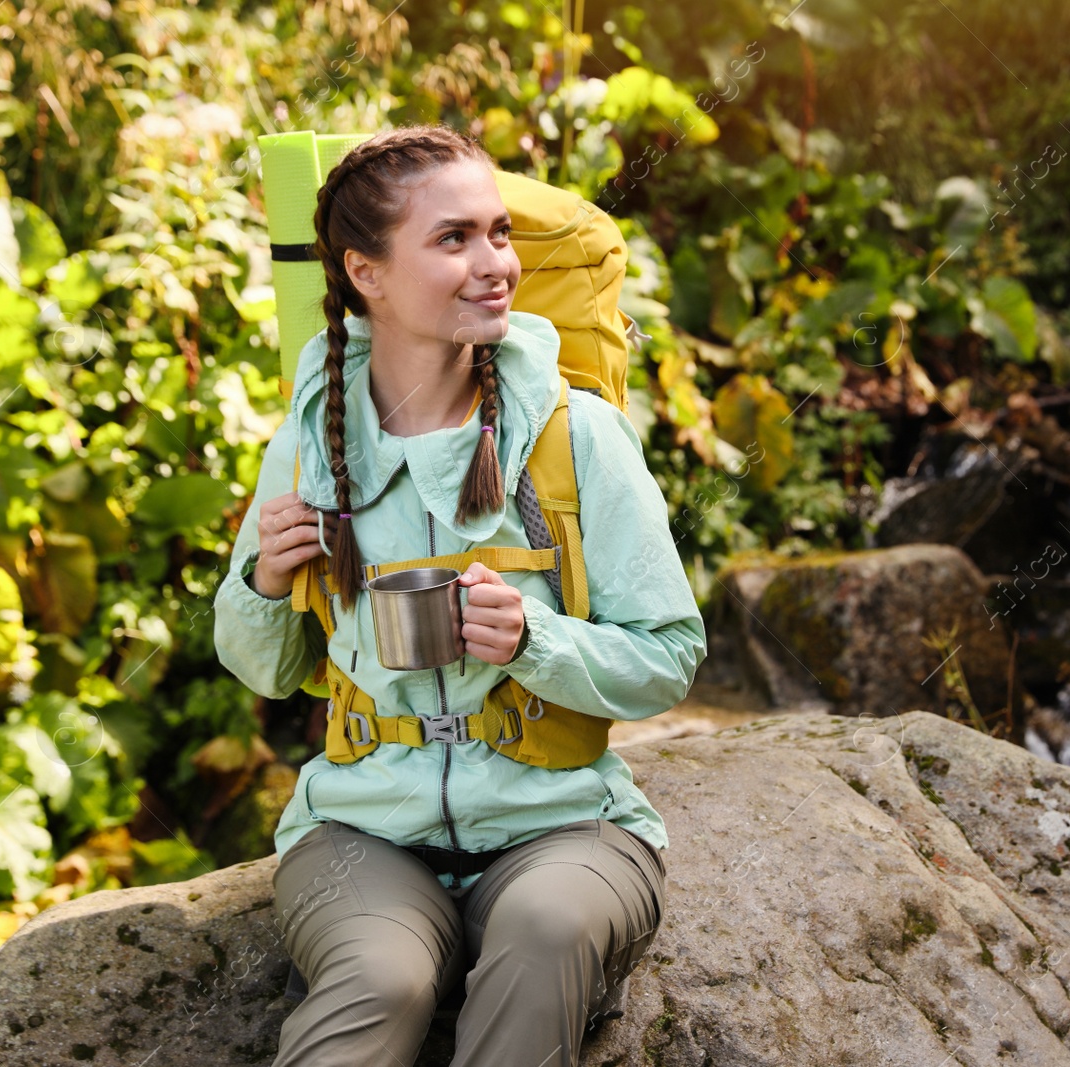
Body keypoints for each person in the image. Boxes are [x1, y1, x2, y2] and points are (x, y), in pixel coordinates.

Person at [212, 124, 708, 1067]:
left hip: (567, 821)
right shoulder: (313, 438)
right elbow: (265, 671)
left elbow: (668, 657)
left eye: (499, 234)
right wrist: (265, 581)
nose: (494, 265)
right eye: (454, 240)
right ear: (367, 273)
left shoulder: (579, 434)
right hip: (361, 826)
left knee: (549, 931)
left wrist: (537, 640)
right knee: (379, 979)